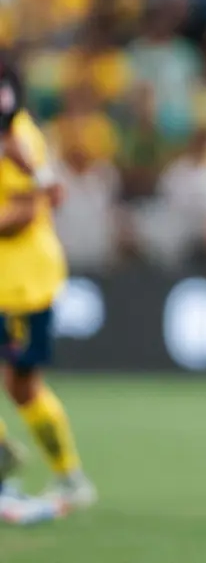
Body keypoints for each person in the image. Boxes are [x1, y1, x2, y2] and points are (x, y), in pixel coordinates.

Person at [0, 59, 95, 524]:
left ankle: (62, 478)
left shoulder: (17, 136)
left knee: (23, 386)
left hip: (19, 282)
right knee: (20, 387)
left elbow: (23, 214)